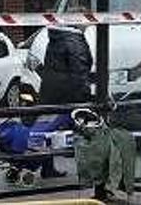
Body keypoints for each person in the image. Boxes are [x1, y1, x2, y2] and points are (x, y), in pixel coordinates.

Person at [37, 25, 94, 179]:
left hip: (50, 91)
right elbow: (79, 70)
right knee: (83, 132)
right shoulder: (73, 41)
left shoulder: (56, 38)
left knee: (49, 129)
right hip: (70, 94)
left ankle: (47, 167)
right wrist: (86, 95)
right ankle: (87, 171)